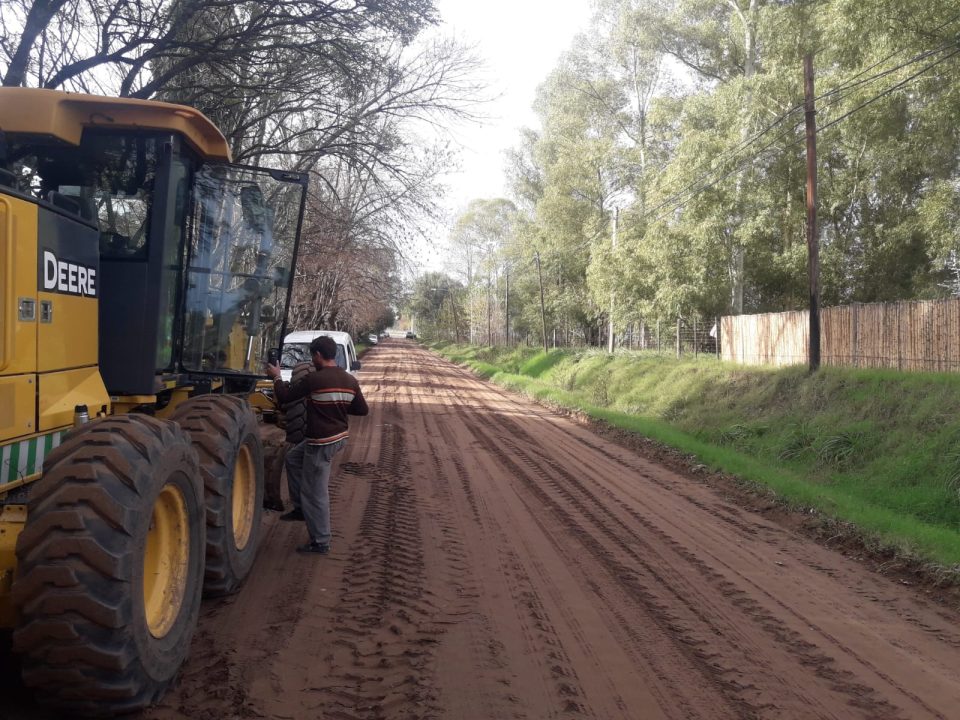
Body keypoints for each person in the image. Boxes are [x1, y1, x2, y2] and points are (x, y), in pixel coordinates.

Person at [266, 335, 368, 554]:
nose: (313, 361)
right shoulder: (350, 380)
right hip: (338, 437)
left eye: (313, 357)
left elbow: (285, 397)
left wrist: (276, 377)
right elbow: (362, 409)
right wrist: (337, 405)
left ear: (319, 355)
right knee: (293, 459)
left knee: (315, 491)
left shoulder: (315, 380)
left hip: (321, 442)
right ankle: (301, 509)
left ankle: (321, 541)